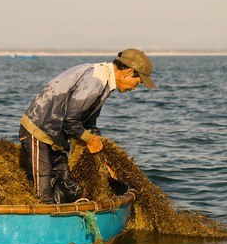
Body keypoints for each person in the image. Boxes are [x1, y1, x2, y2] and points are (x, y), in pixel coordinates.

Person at [19, 48, 156, 204]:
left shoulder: (105, 83)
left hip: (57, 137)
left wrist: (104, 159)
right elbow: (69, 119)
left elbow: (89, 123)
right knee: (43, 193)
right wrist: (90, 140)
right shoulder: (96, 80)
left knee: (69, 189)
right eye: (137, 83)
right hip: (38, 132)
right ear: (128, 72)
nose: (134, 88)